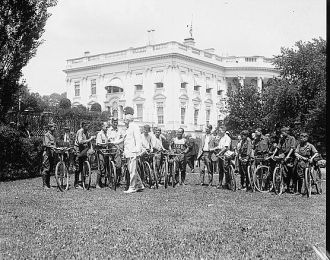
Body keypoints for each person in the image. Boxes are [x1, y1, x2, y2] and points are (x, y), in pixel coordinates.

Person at [110, 106, 145, 193]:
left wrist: (137, 150)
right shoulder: (128, 128)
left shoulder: (134, 127)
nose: (124, 121)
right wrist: (114, 142)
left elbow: (138, 140)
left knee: (132, 171)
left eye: (125, 120)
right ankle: (140, 185)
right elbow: (123, 139)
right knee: (132, 170)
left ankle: (132, 187)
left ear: (129, 120)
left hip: (133, 152)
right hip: (128, 152)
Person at [272, 127, 296, 193]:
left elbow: (292, 148)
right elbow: (278, 147)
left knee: (290, 172)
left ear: (286, 132)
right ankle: (282, 185)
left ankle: (290, 186)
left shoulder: (292, 138)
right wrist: (273, 154)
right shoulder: (282, 139)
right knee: (282, 170)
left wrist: (288, 156)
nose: (282, 134)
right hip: (283, 155)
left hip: (290, 156)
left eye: (283, 132)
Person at [74, 122, 96, 189]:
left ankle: (83, 180)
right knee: (78, 166)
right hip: (78, 149)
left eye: (88, 126)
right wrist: (90, 139)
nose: (87, 127)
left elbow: (89, 142)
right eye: (86, 126)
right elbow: (80, 141)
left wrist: (91, 149)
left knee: (85, 164)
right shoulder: (80, 131)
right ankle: (76, 183)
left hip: (84, 149)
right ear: (83, 126)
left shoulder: (87, 132)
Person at [107, 118, 124, 185]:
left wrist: (117, 142)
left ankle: (118, 177)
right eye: (114, 122)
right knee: (108, 162)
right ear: (112, 123)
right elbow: (109, 138)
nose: (115, 123)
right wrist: (114, 143)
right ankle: (110, 178)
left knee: (119, 165)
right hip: (111, 147)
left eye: (116, 122)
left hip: (118, 147)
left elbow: (123, 138)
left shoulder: (120, 130)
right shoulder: (109, 130)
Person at [41, 123, 57, 189]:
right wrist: (53, 146)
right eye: (54, 127)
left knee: (50, 169)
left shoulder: (53, 135)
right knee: (46, 169)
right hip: (47, 154)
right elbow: (47, 144)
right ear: (50, 128)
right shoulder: (46, 135)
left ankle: (48, 184)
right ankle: (45, 185)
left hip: (52, 154)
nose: (55, 128)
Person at [95, 122, 109, 188]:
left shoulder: (106, 134)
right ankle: (97, 183)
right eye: (106, 127)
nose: (107, 128)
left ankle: (103, 181)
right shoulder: (99, 134)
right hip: (100, 152)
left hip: (106, 152)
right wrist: (104, 144)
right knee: (101, 166)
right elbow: (98, 143)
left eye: (107, 127)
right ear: (102, 127)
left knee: (106, 165)